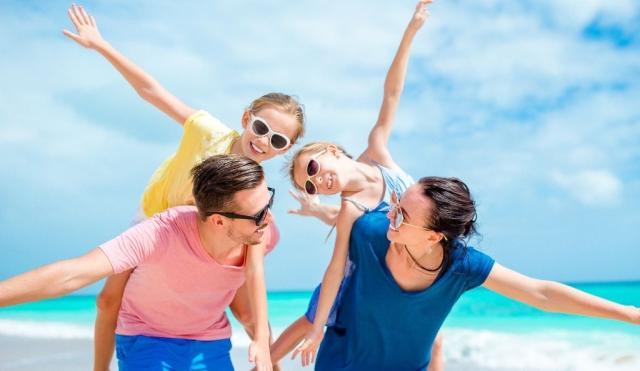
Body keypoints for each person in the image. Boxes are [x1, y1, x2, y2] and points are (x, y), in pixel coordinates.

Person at [62, 4, 315, 370]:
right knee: (107, 300)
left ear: (285, 149)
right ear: (246, 119)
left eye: (277, 141)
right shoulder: (207, 131)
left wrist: (260, 338)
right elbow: (152, 91)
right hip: (156, 221)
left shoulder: (252, 192)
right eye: (261, 128)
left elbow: (254, 270)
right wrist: (101, 45)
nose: (263, 142)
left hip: (206, 242)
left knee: (236, 304)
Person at [313, 176, 640, 370]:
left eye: (402, 214)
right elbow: (345, 220)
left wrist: (630, 314)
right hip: (341, 363)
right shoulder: (372, 231)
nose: (391, 215)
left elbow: (541, 293)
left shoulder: (462, 265)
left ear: (433, 236)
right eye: (396, 203)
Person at [272, 1, 444, 368]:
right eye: (311, 185)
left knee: (437, 340)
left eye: (313, 167)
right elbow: (340, 261)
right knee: (314, 317)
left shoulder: (378, 152)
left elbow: (392, 93)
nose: (318, 180)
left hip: (399, 271)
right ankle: (264, 361)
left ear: (332, 150)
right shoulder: (350, 207)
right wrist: (317, 330)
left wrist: (410, 33)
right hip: (358, 282)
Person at [0, 154, 281, 370]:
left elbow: (244, 298)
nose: (268, 219)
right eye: (259, 214)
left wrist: (266, 349)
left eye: (268, 202)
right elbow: (73, 274)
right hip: (146, 337)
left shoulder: (262, 232)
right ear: (218, 221)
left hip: (209, 341)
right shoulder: (160, 232)